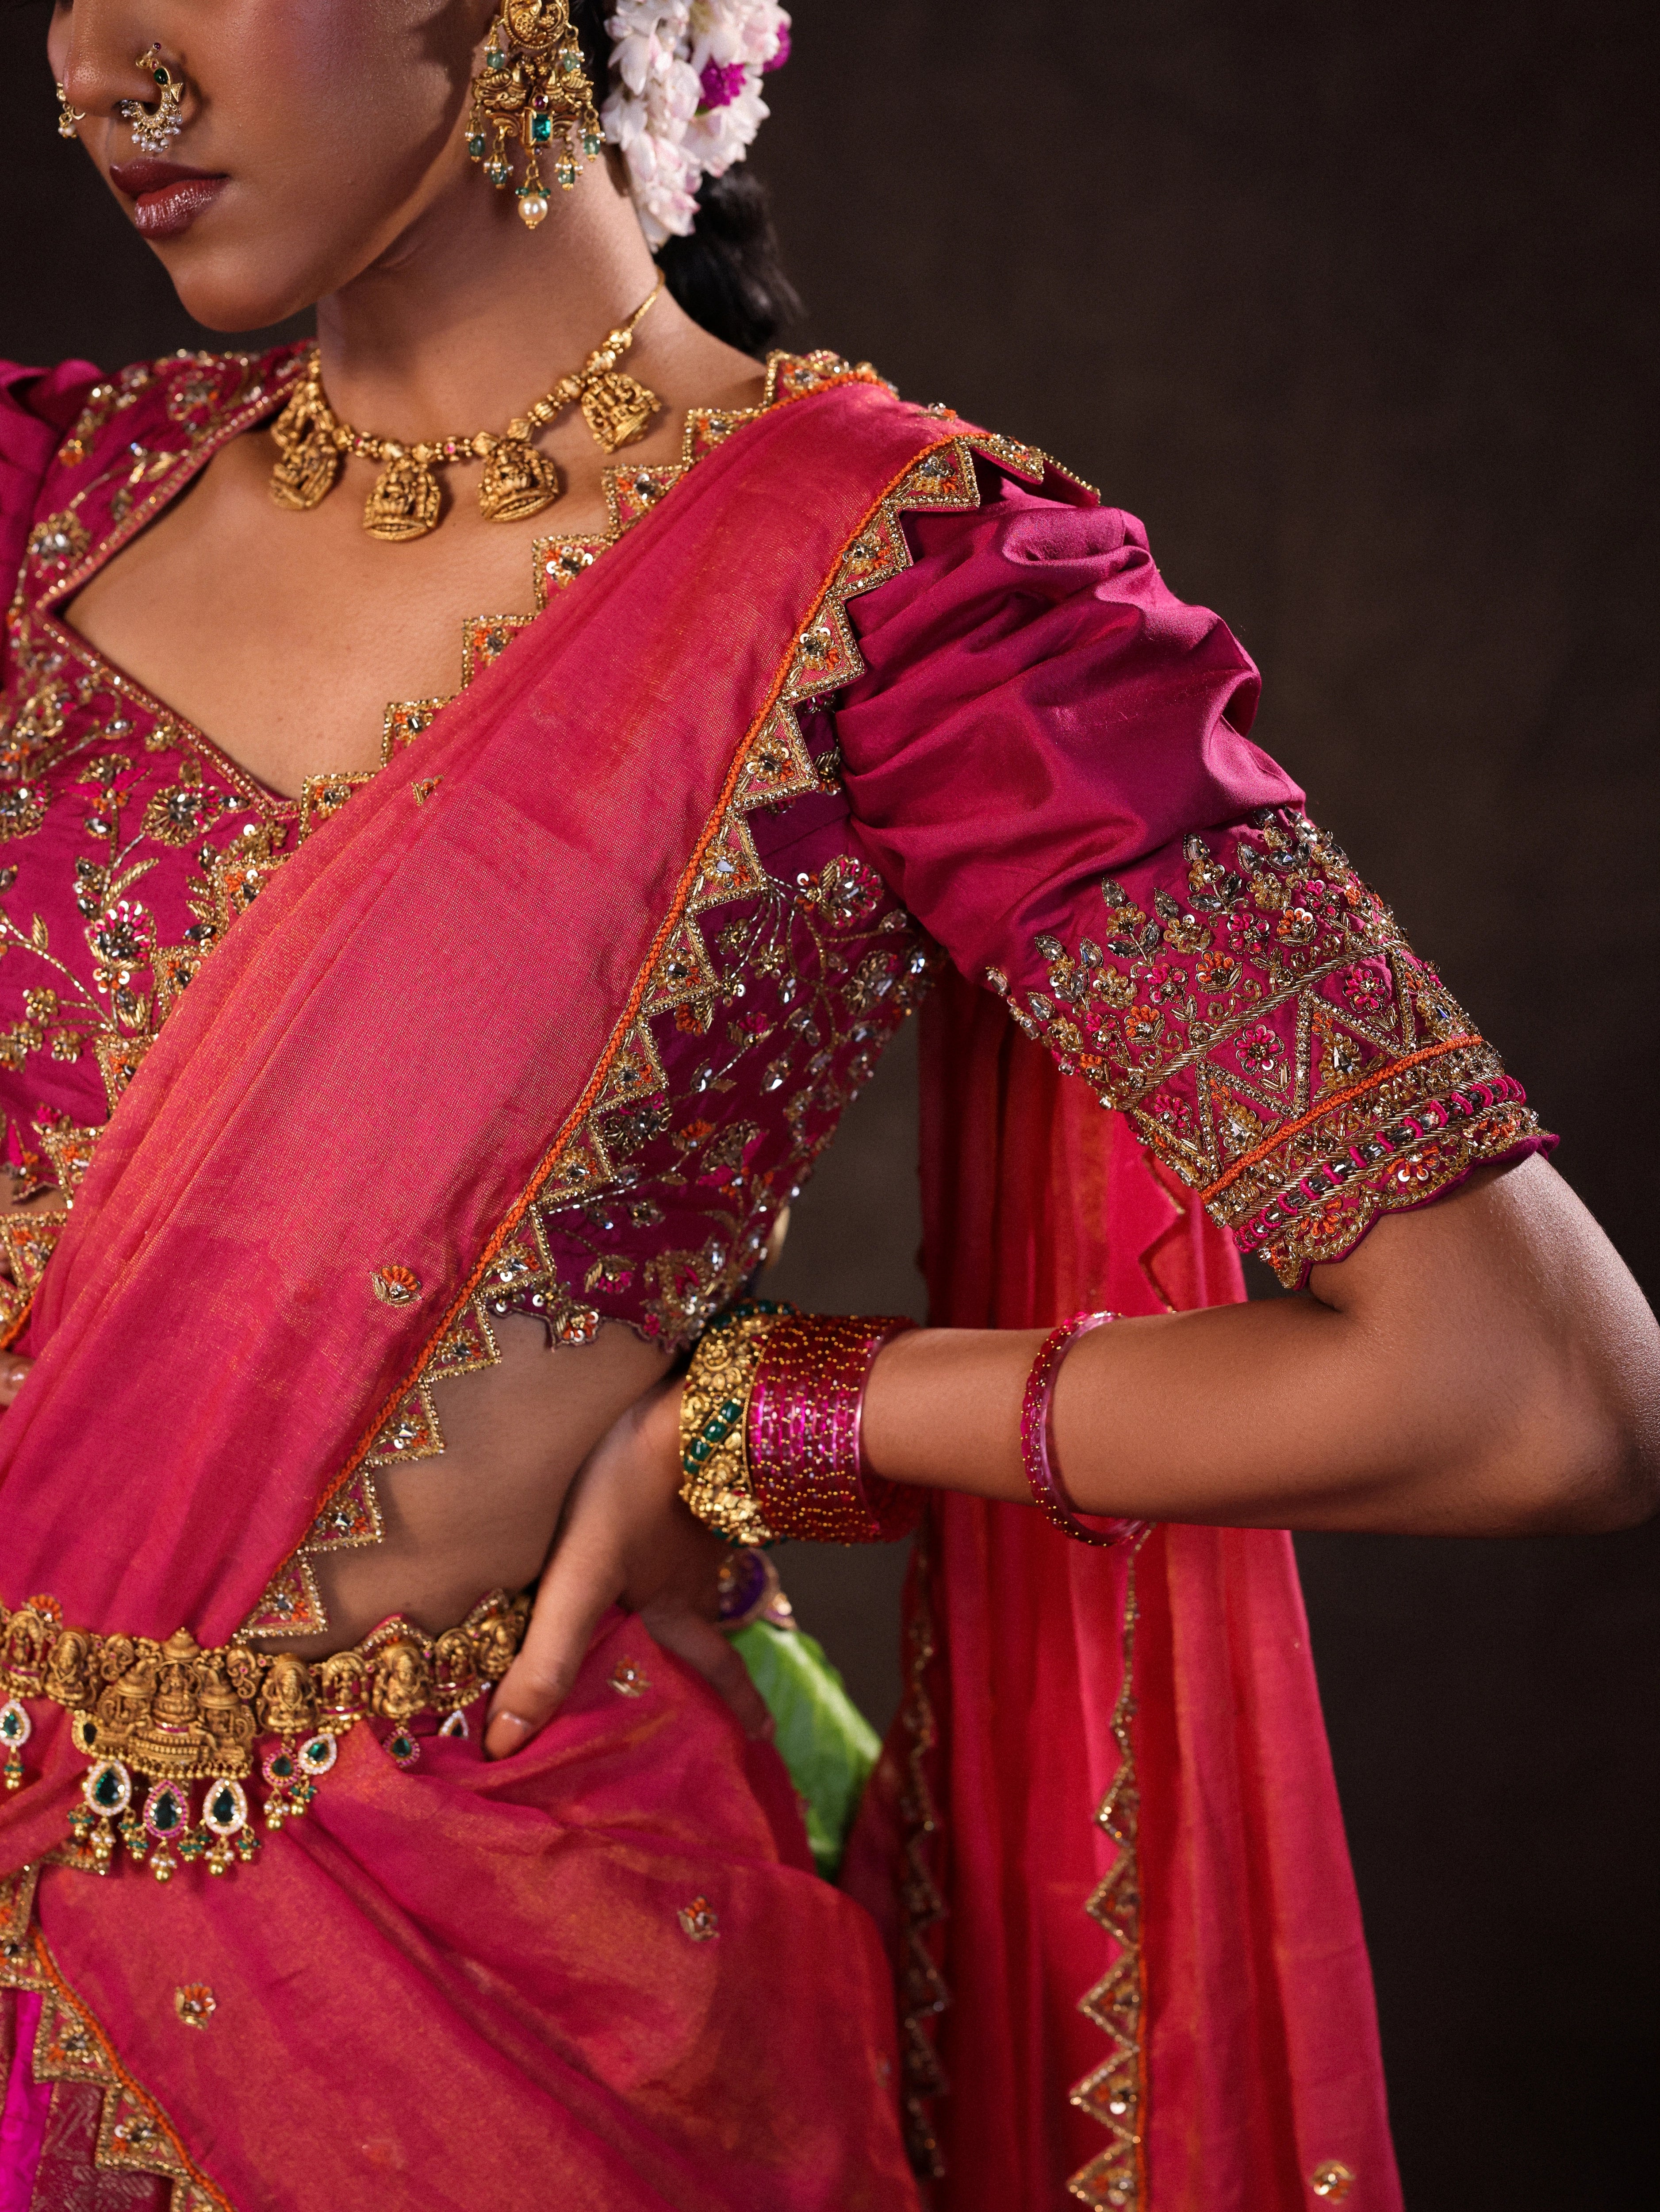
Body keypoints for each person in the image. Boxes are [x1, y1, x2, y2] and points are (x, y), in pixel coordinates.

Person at [0, 4, 1652, 2208]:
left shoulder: (926, 610)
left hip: (498, 2032)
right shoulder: (41, 499)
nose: (96, 66)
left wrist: (775, 1421)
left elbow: (1538, 1384)